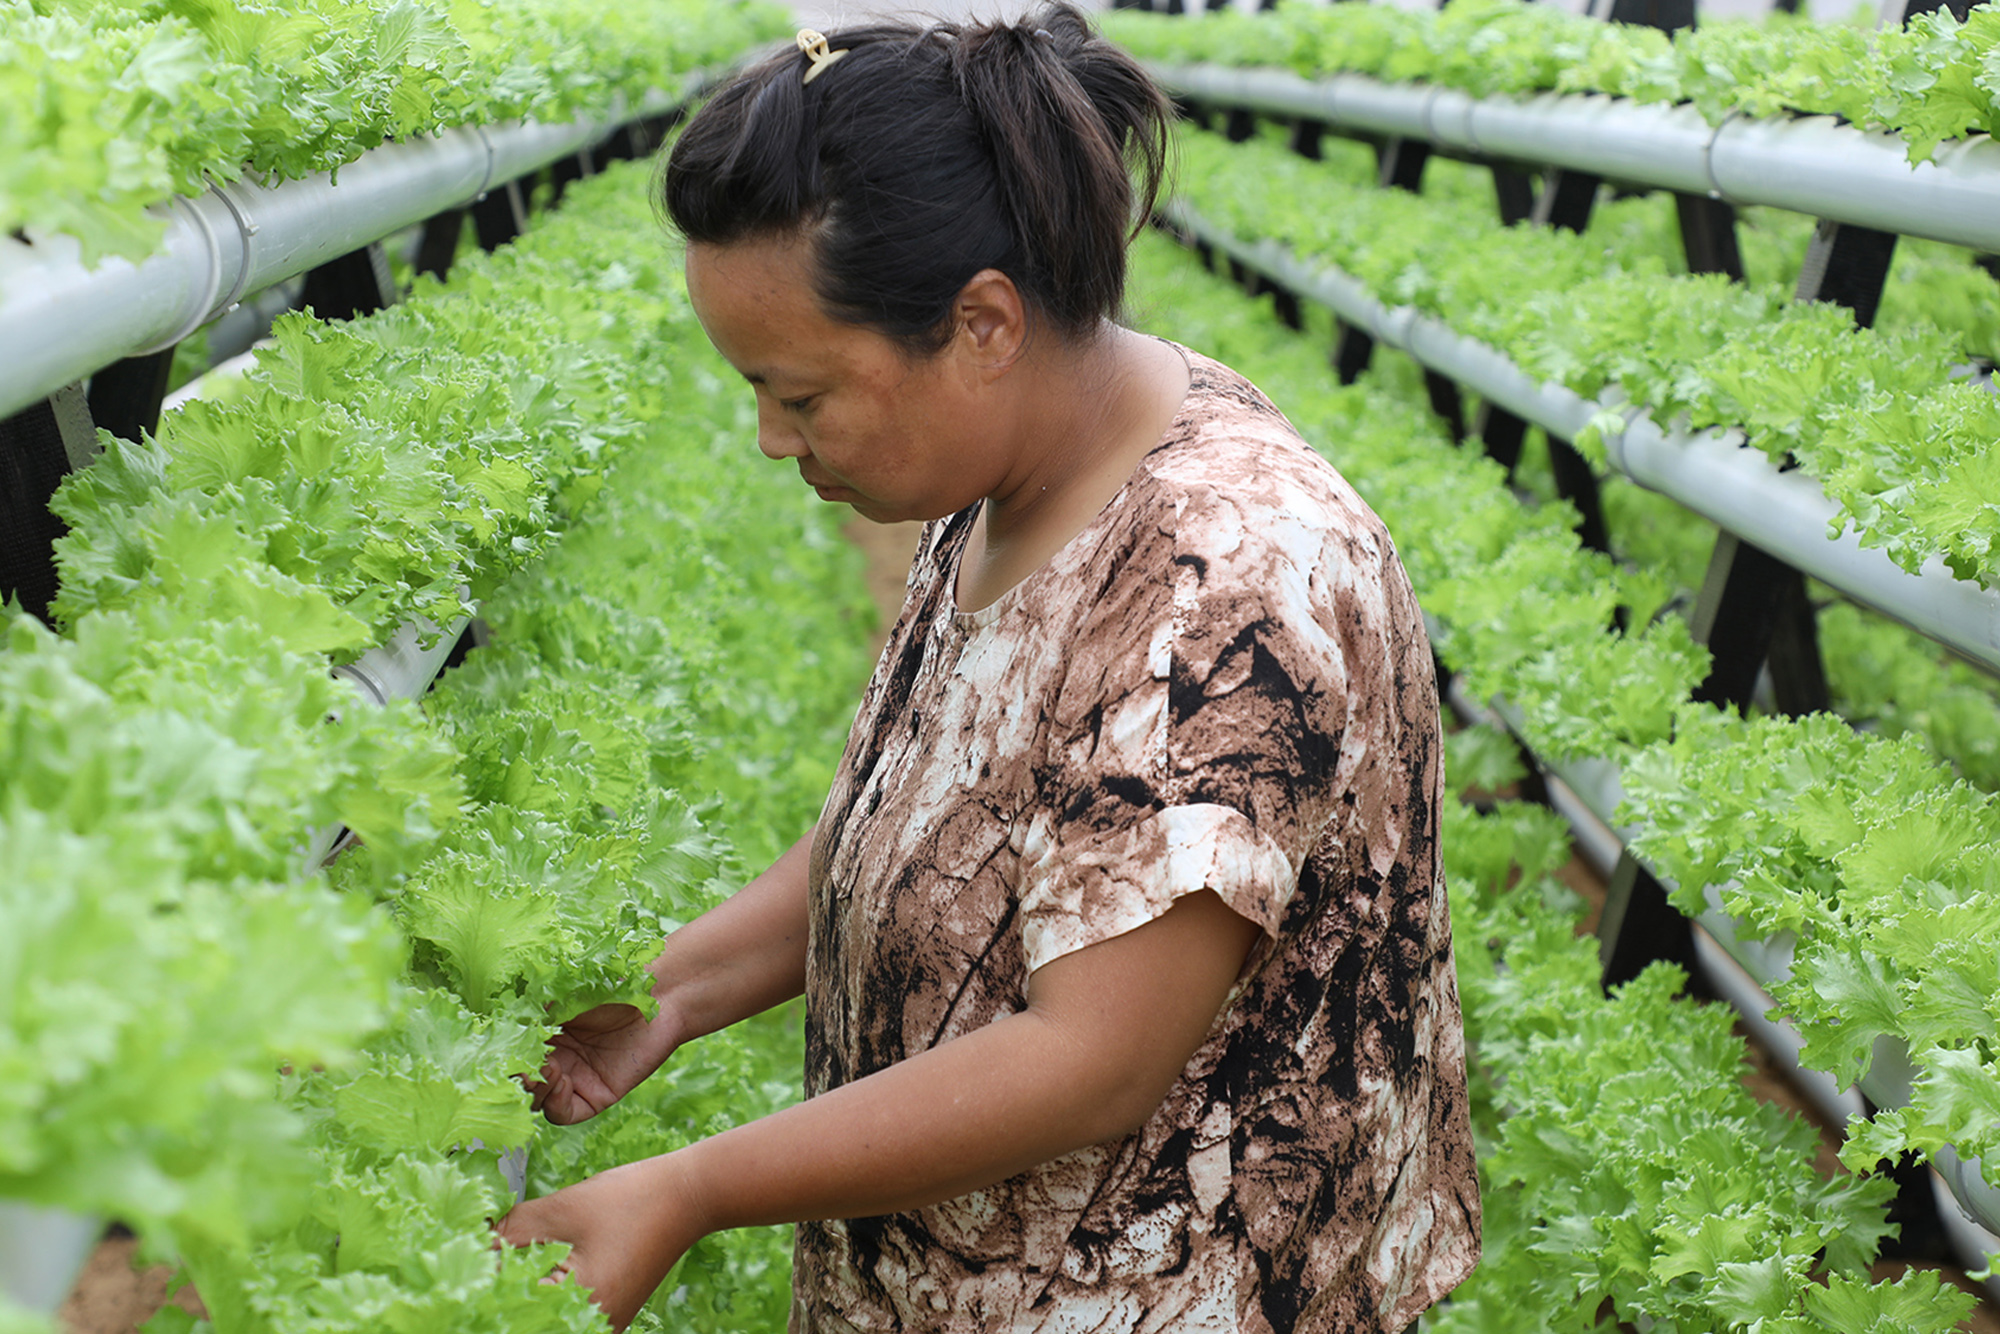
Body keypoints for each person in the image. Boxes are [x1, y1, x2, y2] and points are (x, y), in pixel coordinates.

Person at [495, 7, 1480, 1331]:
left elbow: (1093, 1057)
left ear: (983, 325)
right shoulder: (1016, 469)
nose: (773, 440)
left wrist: (686, 1187)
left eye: (801, 392)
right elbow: (934, 830)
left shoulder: (1218, 579)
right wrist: (672, 992)